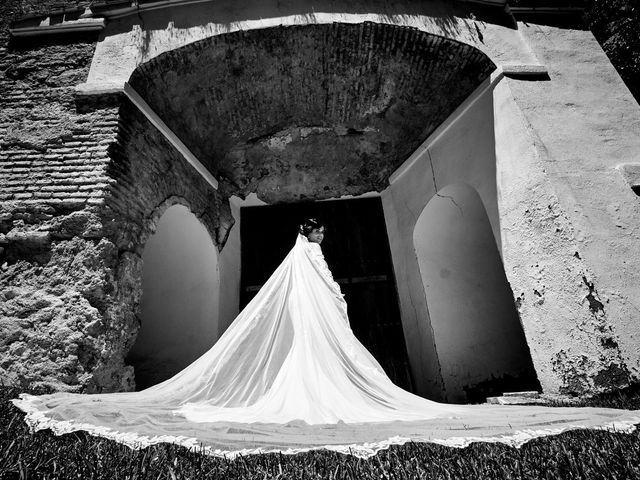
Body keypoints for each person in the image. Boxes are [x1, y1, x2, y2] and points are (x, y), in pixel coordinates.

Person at [12, 218, 640, 457]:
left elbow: (316, 299)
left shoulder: (297, 262)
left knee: (305, 380)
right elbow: (332, 297)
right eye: (322, 236)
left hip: (309, 330)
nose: (323, 243)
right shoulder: (312, 259)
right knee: (333, 384)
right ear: (316, 238)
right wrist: (338, 310)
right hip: (323, 330)